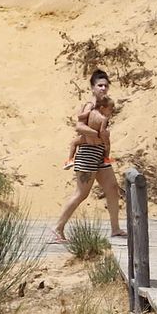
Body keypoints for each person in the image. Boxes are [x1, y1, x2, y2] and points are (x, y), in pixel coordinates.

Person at [52, 69, 122, 243]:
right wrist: (97, 134)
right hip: (87, 153)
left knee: (112, 188)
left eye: (105, 85)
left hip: (100, 153)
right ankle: (57, 228)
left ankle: (115, 228)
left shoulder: (105, 105)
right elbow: (79, 127)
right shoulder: (89, 105)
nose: (103, 88)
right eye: (100, 85)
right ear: (92, 87)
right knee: (81, 193)